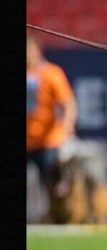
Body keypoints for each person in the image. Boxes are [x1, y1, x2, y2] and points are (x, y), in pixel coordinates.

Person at [26, 34, 76, 208]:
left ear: (37, 50)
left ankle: (50, 216)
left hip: (48, 141)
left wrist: (67, 125)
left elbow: (68, 102)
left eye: (29, 49)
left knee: (50, 184)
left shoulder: (51, 73)